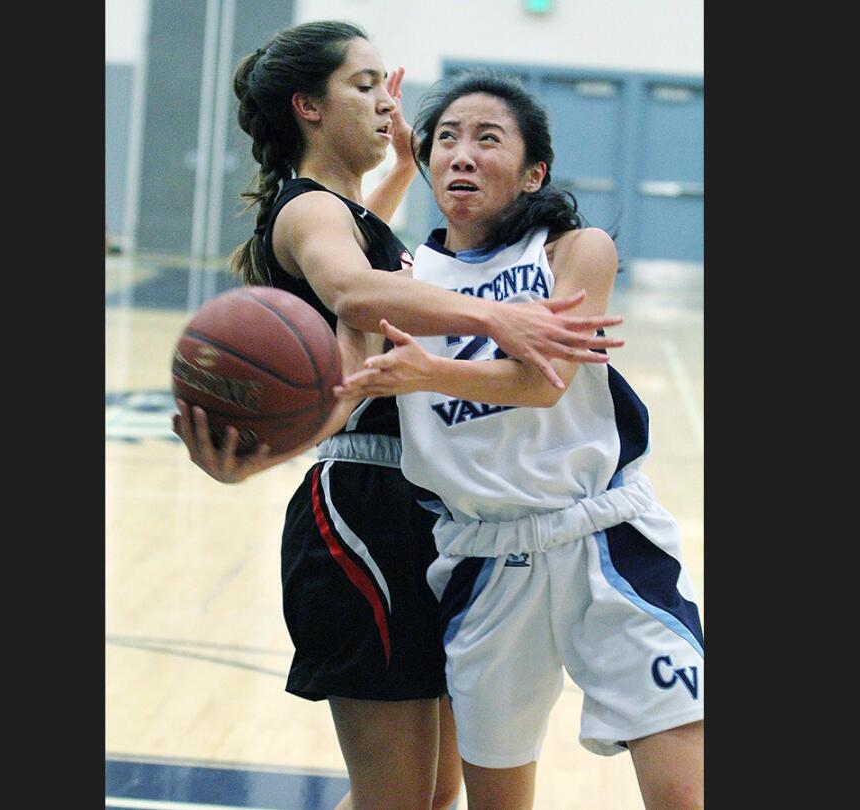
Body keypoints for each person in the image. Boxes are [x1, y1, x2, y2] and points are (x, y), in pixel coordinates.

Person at [170, 22, 625, 810]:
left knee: (433, 790)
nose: (388, 103)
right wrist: (499, 320)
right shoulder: (309, 213)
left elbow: (370, 247)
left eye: (388, 85)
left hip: (422, 511)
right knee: (398, 799)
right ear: (307, 106)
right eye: (366, 85)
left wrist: (409, 165)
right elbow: (354, 287)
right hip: (363, 511)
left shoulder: (345, 210)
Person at [336, 70, 704, 809]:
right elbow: (348, 257)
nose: (462, 154)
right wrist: (398, 164)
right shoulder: (409, 275)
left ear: (535, 171)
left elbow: (544, 381)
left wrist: (428, 371)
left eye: (486, 139)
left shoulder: (575, 248)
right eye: (446, 139)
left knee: (682, 795)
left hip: (605, 546)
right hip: (482, 564)